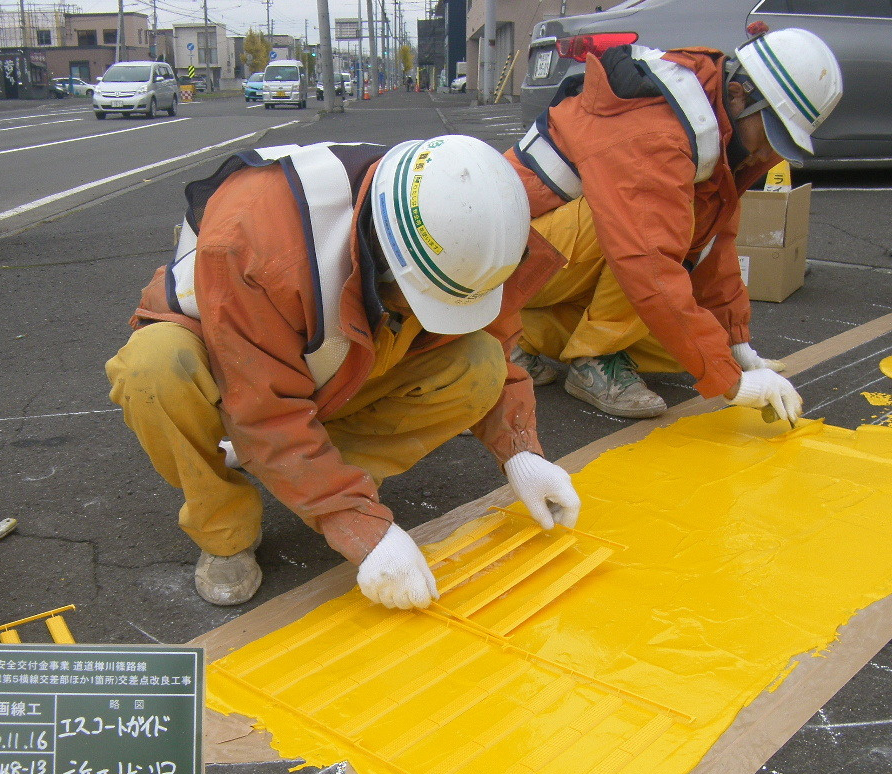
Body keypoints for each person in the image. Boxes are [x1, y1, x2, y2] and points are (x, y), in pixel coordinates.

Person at [106, 136, 577, 609]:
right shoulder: (252, 238)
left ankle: (315, 481)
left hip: (325, 350)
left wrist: (521, 451)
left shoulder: (463, 218)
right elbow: (265, 410)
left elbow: (493, 336)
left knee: (478, 365)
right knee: (156, 368)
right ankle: (226, 530)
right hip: (228, 348)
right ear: (385, 256)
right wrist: (363, 532)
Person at [506, 27, 842, 421]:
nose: (769, 153)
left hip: (545, 267)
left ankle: (516, 336)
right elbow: (647, 262)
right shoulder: (658, 130)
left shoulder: (716, 124)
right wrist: (733, 384)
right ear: (739, 95)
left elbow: (716, 242)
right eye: (772, 134)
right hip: (511, 261)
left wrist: (735, 346)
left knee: (680, 346)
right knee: (644, 234)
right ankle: (593, 360)